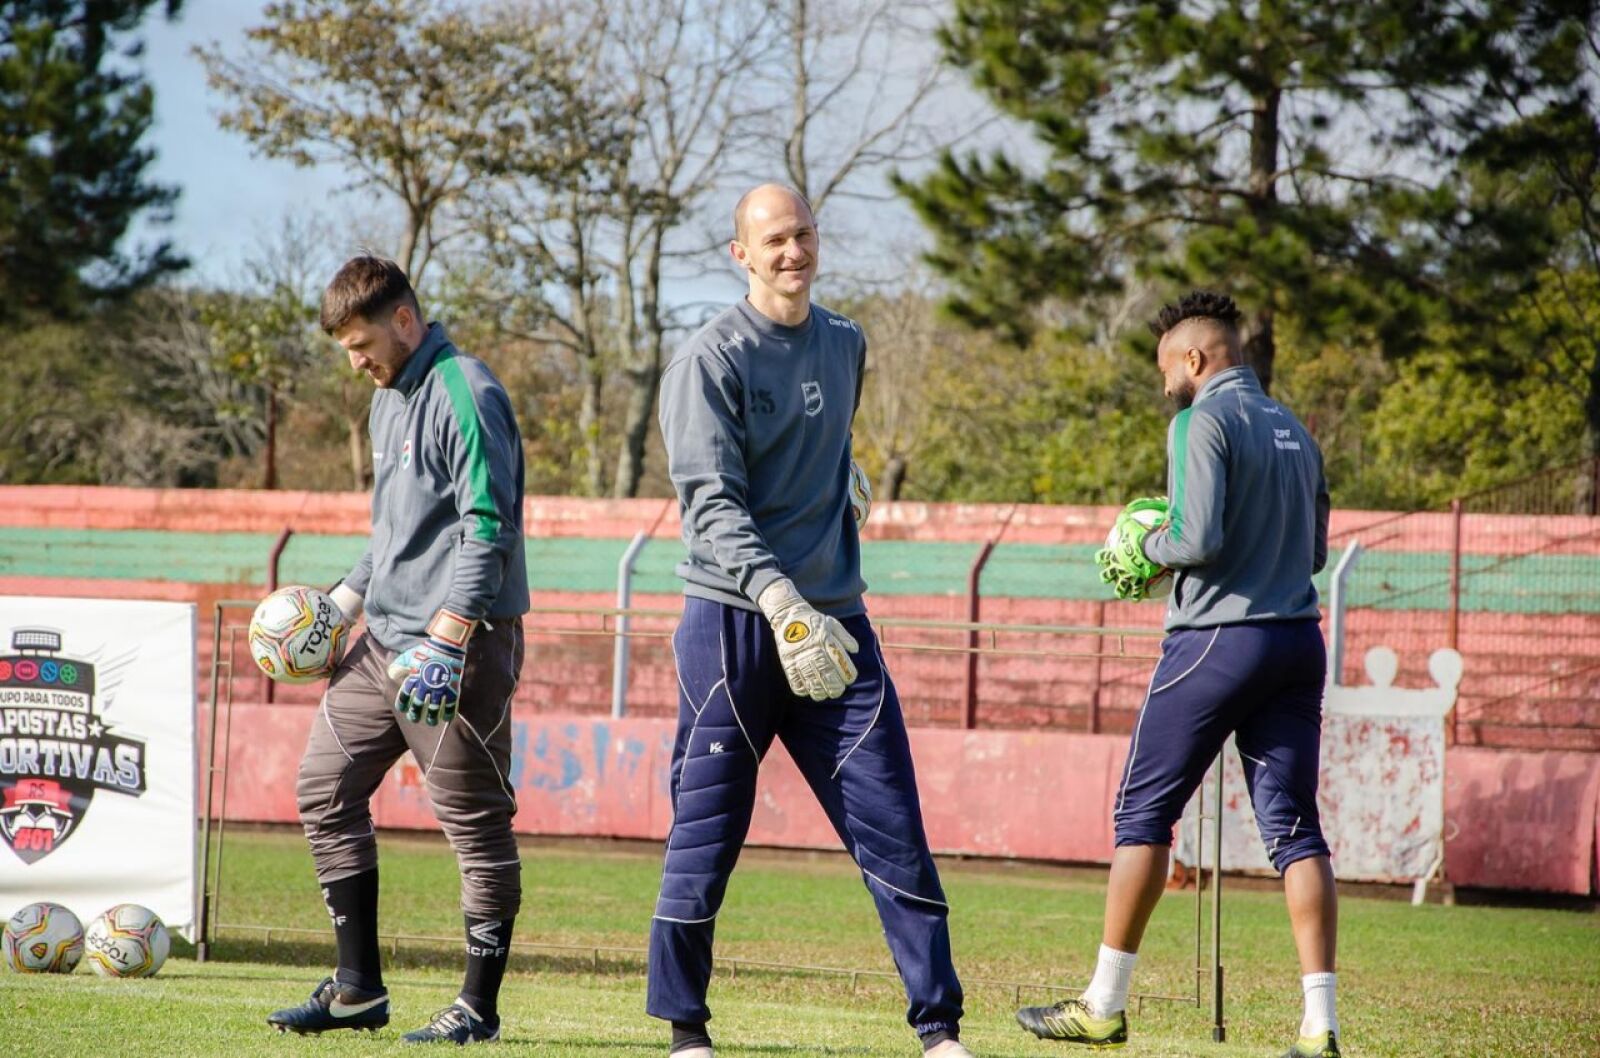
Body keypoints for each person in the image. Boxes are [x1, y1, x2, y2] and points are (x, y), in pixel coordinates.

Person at [647, 185, 971, 1058]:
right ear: (740, 253)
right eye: (774, 240)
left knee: (893, 822)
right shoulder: (708, 360)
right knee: (706, 831)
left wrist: (843, 478)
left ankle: (938, 1030)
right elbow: (712, 502)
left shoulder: (847, 342)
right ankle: (685, 1032)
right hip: (735, 626)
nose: (793, 251)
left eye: (804, 234)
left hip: (839, 624)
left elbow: (817, 442)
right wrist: (776, 596)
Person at [1016, 291, 1340, 1058]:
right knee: (1295, 831)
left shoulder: (1200, 420)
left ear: (1195, 359)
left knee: (1140, 813)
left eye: (1168, 367)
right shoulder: (1297, 430)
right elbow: (1316, 555)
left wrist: (1142, 548)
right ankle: (1320, 1023)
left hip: (1215, 644)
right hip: (1297, 642)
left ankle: (1103, 1005)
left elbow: (1194, 538)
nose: (1166, 385)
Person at [266, 255, 529, 1045]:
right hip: (380, 644)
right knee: (323, 786)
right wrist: (338, 606)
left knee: (475, 827)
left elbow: (488, 527)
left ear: (405, 321)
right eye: (346, 348)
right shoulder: (388, 400)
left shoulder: (467, 393)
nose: (356, 362)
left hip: (458, 651)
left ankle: (477, 1009)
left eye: (361, 343)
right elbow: (392, 536)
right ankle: (357, 989)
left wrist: (449, 637)